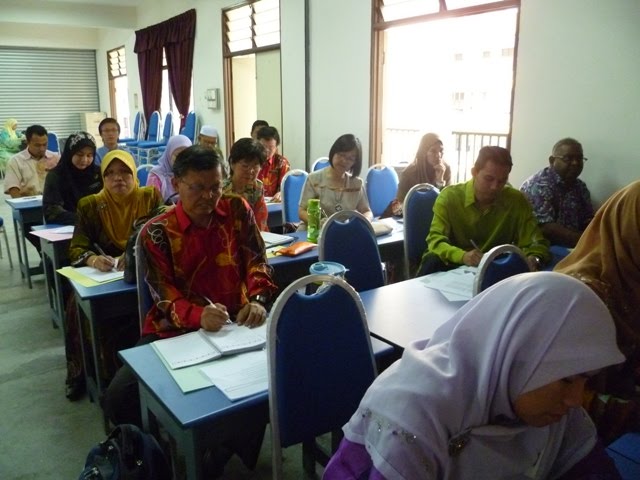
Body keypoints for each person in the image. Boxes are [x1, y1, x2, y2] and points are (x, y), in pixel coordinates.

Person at [324, 272, 624, 480]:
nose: (576, 399)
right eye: (567, 379)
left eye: (586, 379)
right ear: (518, 354)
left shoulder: (555, 412)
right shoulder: (411, 416)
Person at [104, 145, 277, 477]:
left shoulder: (237, 209)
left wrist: (259, 300)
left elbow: (258, 262)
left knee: (261, 386)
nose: (207, 197)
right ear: (177, 183)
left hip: (235, 322)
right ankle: (157, 455)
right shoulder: (157, 231)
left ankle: (219, 452)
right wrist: (198, 316)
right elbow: (163, 296)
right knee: (118, 397)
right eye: (197, 187)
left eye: (215, 186)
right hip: (174, 330)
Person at [64, 149, 163, 400]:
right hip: (104, 280)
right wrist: (93, 259)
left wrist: (134, 257)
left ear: (134, 174)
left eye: (124, 172)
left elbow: (162, 235)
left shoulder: (150, 197)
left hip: (142, 275)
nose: (118, 178)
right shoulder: (90, 205)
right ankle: (93, 374)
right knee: (76, 308)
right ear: (103, 178)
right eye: (110, 174)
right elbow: (77, 247)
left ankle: (151, 375)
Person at [555, 180, 640, 442]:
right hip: (561, 444)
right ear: (628, 229)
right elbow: (559, 401)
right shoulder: (577, 303)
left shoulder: (631, 279)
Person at [419, 146, 549, 275]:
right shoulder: (450, 197)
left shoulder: (516, 200)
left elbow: (536, 243)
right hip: (451, 265)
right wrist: (462, 256)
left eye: (502, 181)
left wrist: (534, 258)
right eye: (489, 179)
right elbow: (436, 240)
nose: (494, 187)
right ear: (474, 172)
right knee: (432, 260)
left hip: (493, 269)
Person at [520, 138, 594, 247]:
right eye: (568, 158)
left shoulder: (580, 187)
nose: (575, 163)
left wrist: (597, 235)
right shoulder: (539, 185)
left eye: (579, 158)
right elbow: (546, 228)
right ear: (552, 160)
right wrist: (586, 242)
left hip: (574, 247)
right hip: (542, 248)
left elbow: (588, 219)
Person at [298, 134, 373, 228]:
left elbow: (367, 211)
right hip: (313, 231)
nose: (344, 161)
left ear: (355, 163)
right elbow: (302, 211)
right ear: (333, 152)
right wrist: (319, 222)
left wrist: (363, 221)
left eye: (350, 158)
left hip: (343, 232)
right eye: (341, 155)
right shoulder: (314, 179)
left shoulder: (356, 184)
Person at [42, 131, 102, 225]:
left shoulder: (99, 173)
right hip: (67, 228)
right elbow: (52, 211)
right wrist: (83, 220)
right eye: (79, 154)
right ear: (70, 153)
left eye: (89, 155)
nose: (84, 160)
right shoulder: (56, 176)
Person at [223, 138, 270, 231]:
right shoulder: (221, 189)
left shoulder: (257, 187)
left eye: (255, 166)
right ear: (232, 163)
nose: (251, 171)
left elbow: (261, 221)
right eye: (245, 166)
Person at [4, 124, 60, 198]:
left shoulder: (56, 158)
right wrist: (22, 204)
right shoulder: (15, 161)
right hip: (28, 205)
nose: (42, 149)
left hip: (53, 203)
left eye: (45, 144)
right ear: (27, 142)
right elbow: (13, 189)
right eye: (37, 145)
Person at [398, 133, 451, 201]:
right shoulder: (409, 173)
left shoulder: (446, 170)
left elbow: (448, 201)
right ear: (423, 152)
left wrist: (440, 182)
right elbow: (400, 202)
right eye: (433, 151)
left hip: (438, 211)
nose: (438, 155)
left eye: (441, 151)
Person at [146, 134, 192, 202]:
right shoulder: (156, 176)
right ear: (169, 155)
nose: (183, 160)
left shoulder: (192, 174)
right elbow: (151, 204)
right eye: (178, 155)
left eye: (187, 156)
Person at [256, 126, 290, 202]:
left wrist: (281, 193)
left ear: (276, 147)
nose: (266, 151)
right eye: (263, 147)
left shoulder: (281, 163)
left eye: (271, 148)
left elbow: (286, 188)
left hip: (273, 204)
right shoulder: (251, 161)